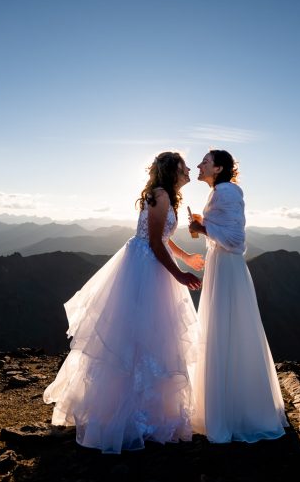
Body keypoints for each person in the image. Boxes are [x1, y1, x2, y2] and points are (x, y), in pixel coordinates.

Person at [43, 151, 205, 453]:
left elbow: (163, 236)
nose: (188, 172)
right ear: (172, 171)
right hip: (145, 268)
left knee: (149, 338)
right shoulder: (161, 195)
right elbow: (155, 242)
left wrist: (185, 257)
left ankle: (145, 413)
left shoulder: (164, 195)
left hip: (148, 263)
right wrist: (180, 275)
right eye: (184, 168)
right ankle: (130, 417)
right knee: (140, 338)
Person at [188, 149, 288, 443]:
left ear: (218, 168)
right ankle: (229, 408)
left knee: (226, 330)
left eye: (205, 161)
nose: (199, 164)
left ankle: (231, 412)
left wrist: (202, 227)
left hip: (228, 269)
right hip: (221, 266)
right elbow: (225, 232)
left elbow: (235, 240)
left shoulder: (226, 191)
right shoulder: (220, 191)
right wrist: (204, 228)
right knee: (224, 331)